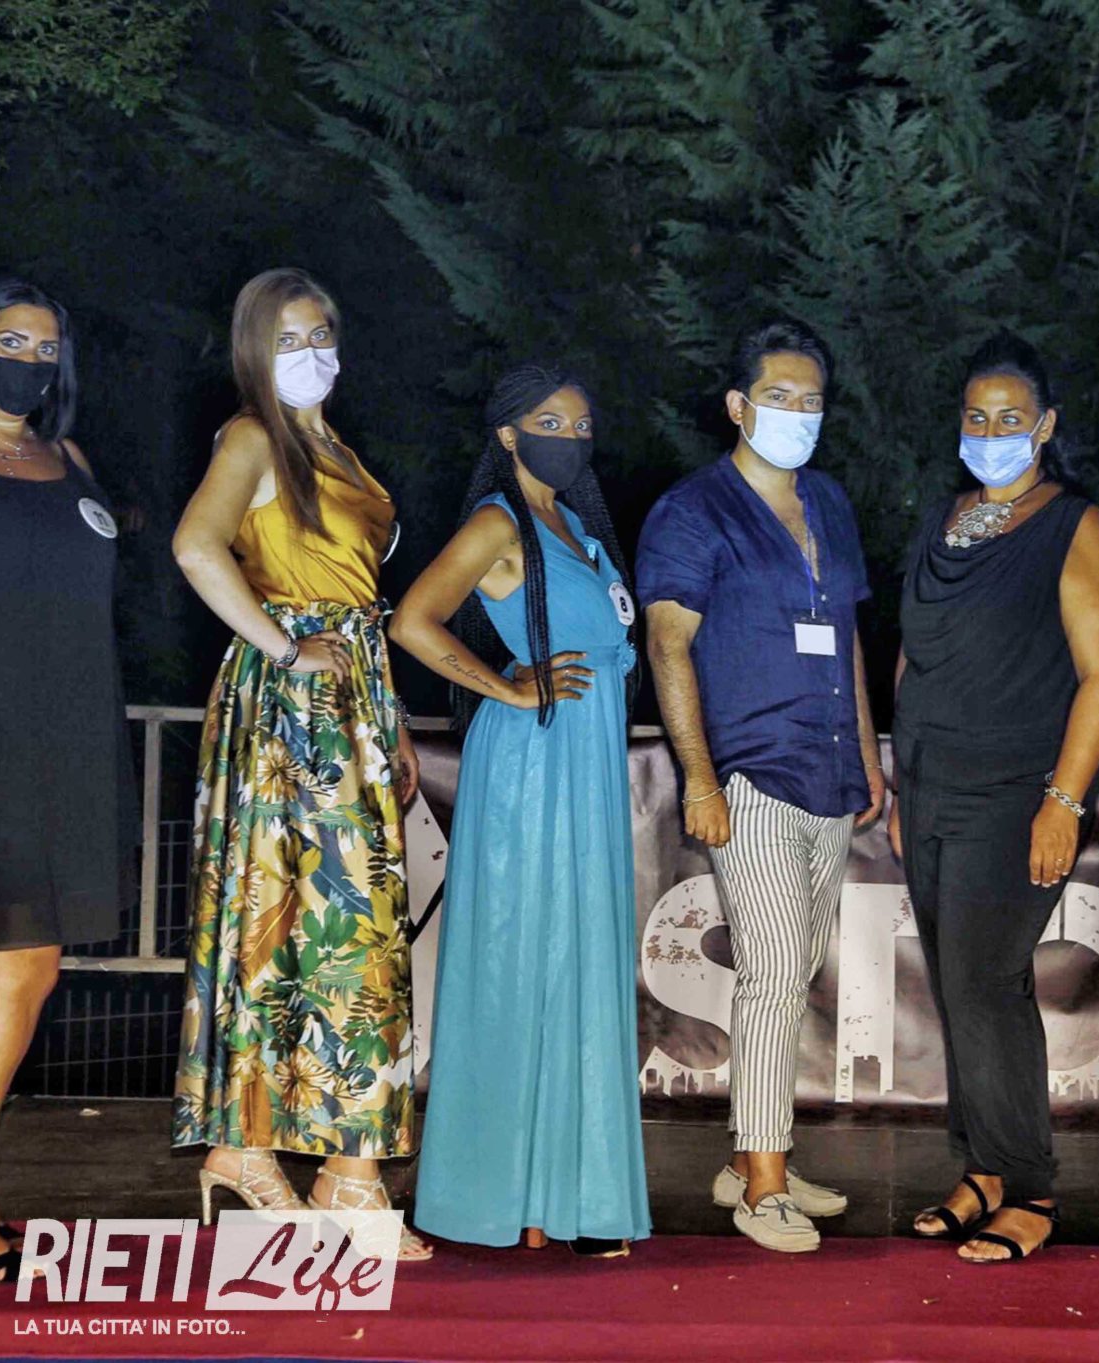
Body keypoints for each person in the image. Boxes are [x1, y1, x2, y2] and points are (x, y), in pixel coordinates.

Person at [170, 268, 427, 1261]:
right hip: (293, 709)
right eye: (286, 339)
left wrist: (389, 720)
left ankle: (271, 1153)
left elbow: (361, 600)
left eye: (320, 333)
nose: (310, 352)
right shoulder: (252, 437)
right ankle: (323, 1166)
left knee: (343, 928)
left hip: (352, 697)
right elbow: (197, 548)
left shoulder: (336, 449)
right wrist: (283, 650)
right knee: (324, 925)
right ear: (252, 350)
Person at [637, 318, 882, 1254]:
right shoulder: (693, 509)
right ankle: (764, 1189)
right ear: (738, 405)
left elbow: (846, 637)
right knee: (774, 972)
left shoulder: (829, 500)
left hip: (828, 768)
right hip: (748, 769)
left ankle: (750, 1160)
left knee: (797, 964)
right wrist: (700, 776)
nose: (798, 413)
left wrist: (866, 756)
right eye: (779, 397)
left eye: (812, 399)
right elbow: (669, 643)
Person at [396, 365, 651, 1258]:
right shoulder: (498, 522)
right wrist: (504, 687)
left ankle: (569, 1197)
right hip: (533, 763)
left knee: (576, 964)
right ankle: (490, 1193)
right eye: (550, 422)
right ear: (508, 435)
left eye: (581, 424)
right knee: (517, 964)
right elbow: (413, 620)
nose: (569, 437)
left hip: (585, 763)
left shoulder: (576, 525)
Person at [897, 333, 1099, 1265]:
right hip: (931, 783)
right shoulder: (948, 517)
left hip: (1015, 790)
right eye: (976, 417)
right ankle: (983, 1169)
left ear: (1044, 426)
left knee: (989, 982)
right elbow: (914, 650)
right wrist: (902, 770)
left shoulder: (1076, 526)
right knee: (956, 986)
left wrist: (1064, 801)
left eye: (1010, 418)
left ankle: (1029, 1184)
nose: (990, 433)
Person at [0, 279, 132, 1287]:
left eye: (44, 346)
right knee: (6, 968)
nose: (27, 359)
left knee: (19, 969)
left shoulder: (68, 461)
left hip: (56, 747)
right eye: (7, 339)